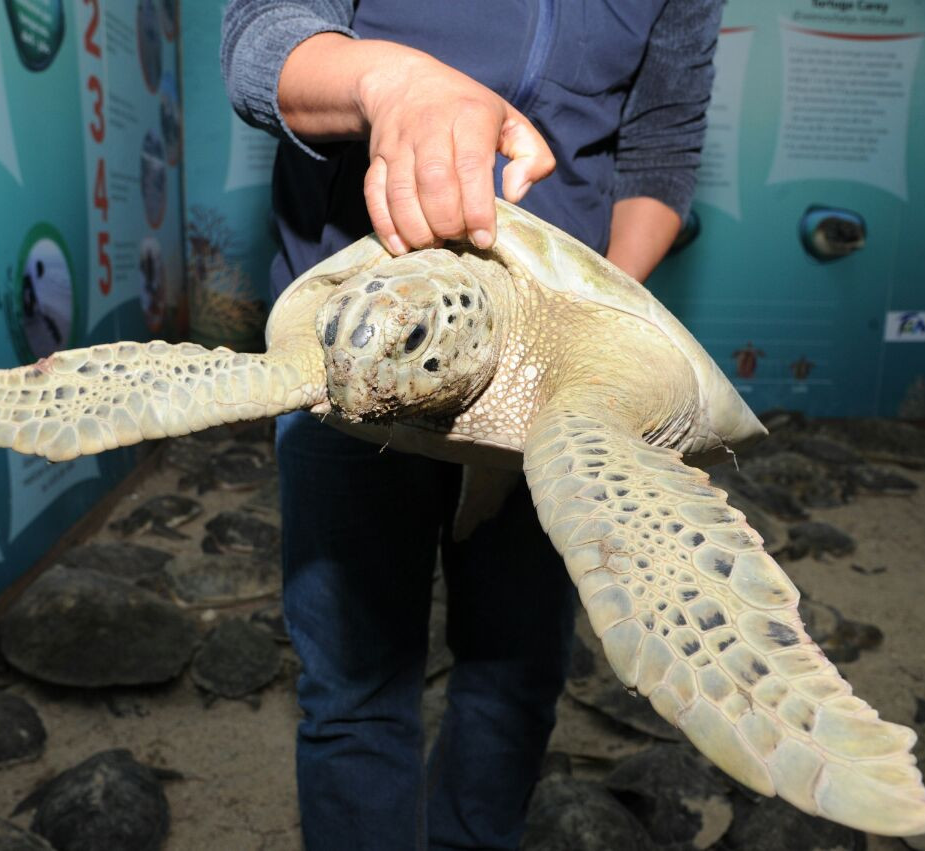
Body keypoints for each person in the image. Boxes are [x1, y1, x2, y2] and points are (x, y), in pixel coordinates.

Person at [220, 2, 722, 847]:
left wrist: (580, 324)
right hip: (360, 325)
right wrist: (389, 79)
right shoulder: (364, 351)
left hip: (551, 365)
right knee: (352, 683)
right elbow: (260, 40)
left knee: (518, 671)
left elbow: (660, 156)